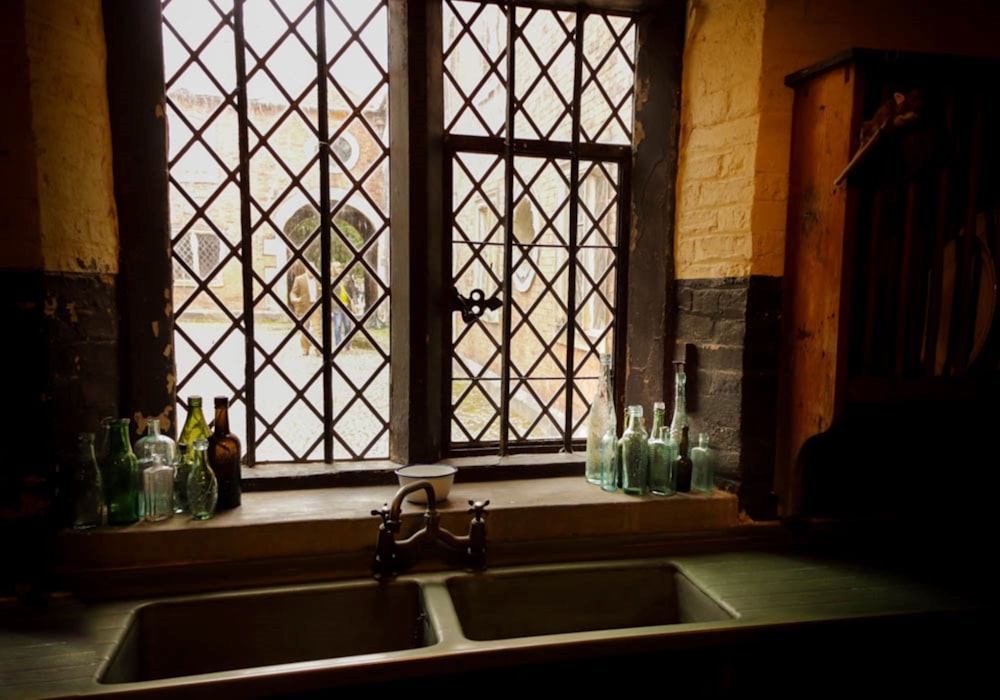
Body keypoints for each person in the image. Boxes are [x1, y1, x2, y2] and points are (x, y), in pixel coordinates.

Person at [289, 260, 318, 356]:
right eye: (310, 269)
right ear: (306, 270)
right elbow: (293, 292)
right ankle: (305, 349)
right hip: (304, 306)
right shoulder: (299, 279)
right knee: (305, 329)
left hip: (316, 306)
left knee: (318, 328)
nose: (312, 271)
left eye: (314, 269)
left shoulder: (319, 279)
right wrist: (295, 299)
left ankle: (319, 349)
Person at [331, 261, 353, 348]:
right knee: (338, 325)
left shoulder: (347, 278)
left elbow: (352, 290)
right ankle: (338, 344)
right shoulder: (331, 279)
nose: (339, 269)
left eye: (340, 267)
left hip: (346, 305)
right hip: (336, 306)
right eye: (337, 267)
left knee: (347, 325)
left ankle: (347, 345)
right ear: (333, 269)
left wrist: (354, 302)